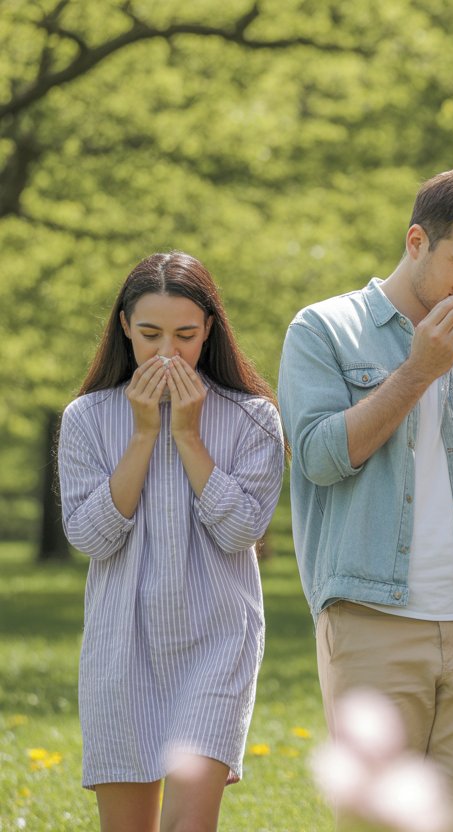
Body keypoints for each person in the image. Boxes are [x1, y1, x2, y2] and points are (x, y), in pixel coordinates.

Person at [278, 167, 453, 824]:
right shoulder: (325, 329)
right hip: (371, 617)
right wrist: (420, 370)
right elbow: (318, 458)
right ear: (417, 241)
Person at [57, 251, 285, 832]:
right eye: (151, 334)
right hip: (121, 642)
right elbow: (90, 537)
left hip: (217, 640)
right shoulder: (86, 417)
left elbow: (241, 531)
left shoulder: (253, 417)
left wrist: (186, 433)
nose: (167, 353)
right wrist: (142, 435)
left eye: (185, 335)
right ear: (125, 328)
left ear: (209, 329)